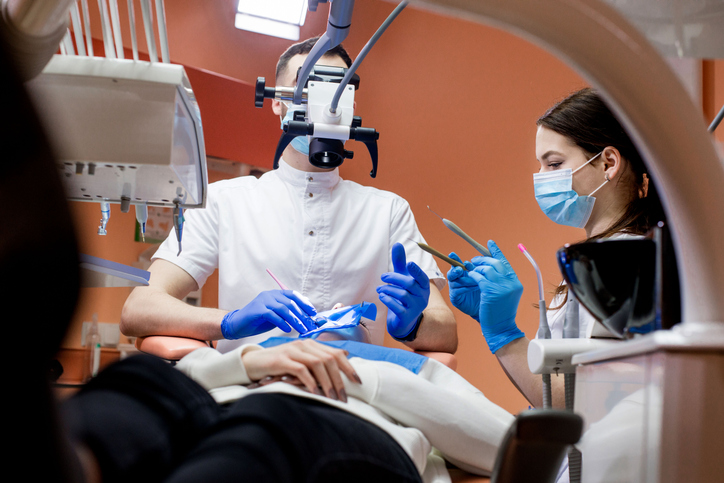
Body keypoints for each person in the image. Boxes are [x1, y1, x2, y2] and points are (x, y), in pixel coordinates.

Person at [120, 37, 457, 354]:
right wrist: (229, 322)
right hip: (249, 391)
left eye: (337, 90)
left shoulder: (388, 212)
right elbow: (139, 308)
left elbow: (446, 334)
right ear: (277, 102)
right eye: (308, 90)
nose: (325, 106)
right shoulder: (225, 201)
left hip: (350, 397)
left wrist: (412, 324)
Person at [62, 318, 513, 483]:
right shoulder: (253, 355)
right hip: (220, 404)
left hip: (327, 425)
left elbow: (501, 445)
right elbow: (187, 379)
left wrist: (355, 376)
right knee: (138, 376)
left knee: (272, 415)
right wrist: (250, 362)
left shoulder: (403, 368)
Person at [446, 87, 665, 409]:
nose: (541, 178)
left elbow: (578, 401)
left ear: (608, 162)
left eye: (553, 164)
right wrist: (493, 324)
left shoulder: (621, 265)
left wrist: (505, 335)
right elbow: (551, 387)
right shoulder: (601, 257)